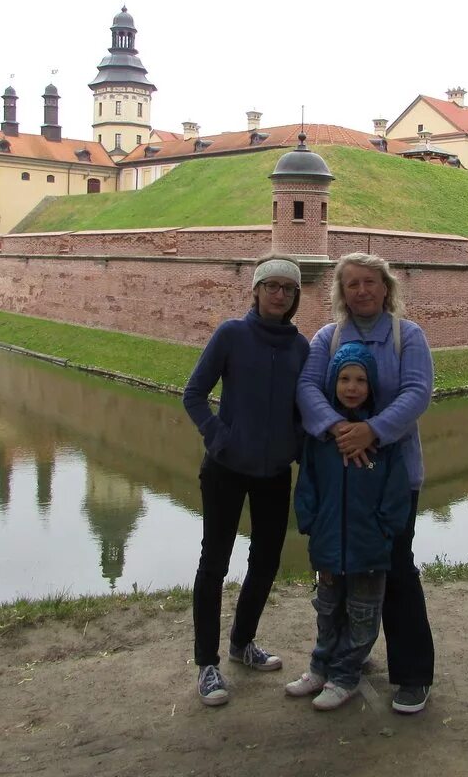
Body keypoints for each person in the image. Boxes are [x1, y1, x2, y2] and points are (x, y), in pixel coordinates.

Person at [296, 252, 436, 714]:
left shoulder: (406, 335)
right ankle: (342, 662)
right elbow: (309, 389)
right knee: (337, 573)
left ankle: (414, 675)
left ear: (385, 287)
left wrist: (371, 430)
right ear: (342, 290)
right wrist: (341, 431)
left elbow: (418, 392)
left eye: (369, 283)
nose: (361, 291)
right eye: (352, 284)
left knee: (393, 568)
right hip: (338, 473)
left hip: (392, 476)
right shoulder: (327, 337)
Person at [182, 254, 310, 707]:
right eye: (271, 286)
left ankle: (242, 642)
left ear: (295, 297)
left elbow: (303, 407)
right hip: (226, 468)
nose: (278, 294)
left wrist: (294, 445)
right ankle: (207, 664)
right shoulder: (231, 334)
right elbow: (194, 394)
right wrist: (220, 438)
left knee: (266, 561)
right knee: (213, 563)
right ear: (254, 291)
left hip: (274, 472)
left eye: (287, 289)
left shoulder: (300, 347)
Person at [287, 342, 411, 711]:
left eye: (360, 380)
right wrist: (308, 521)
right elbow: (307, 484)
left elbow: (396, 493)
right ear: (332, 383)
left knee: (362, 615)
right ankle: (320, 666)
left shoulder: (382, 442)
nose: (352, 387)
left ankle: (346, 675)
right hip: (327, 544)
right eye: (344, 379)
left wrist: (384, 530)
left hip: (368, 547)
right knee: (327, 609)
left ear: (371, 386)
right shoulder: (321, 438)